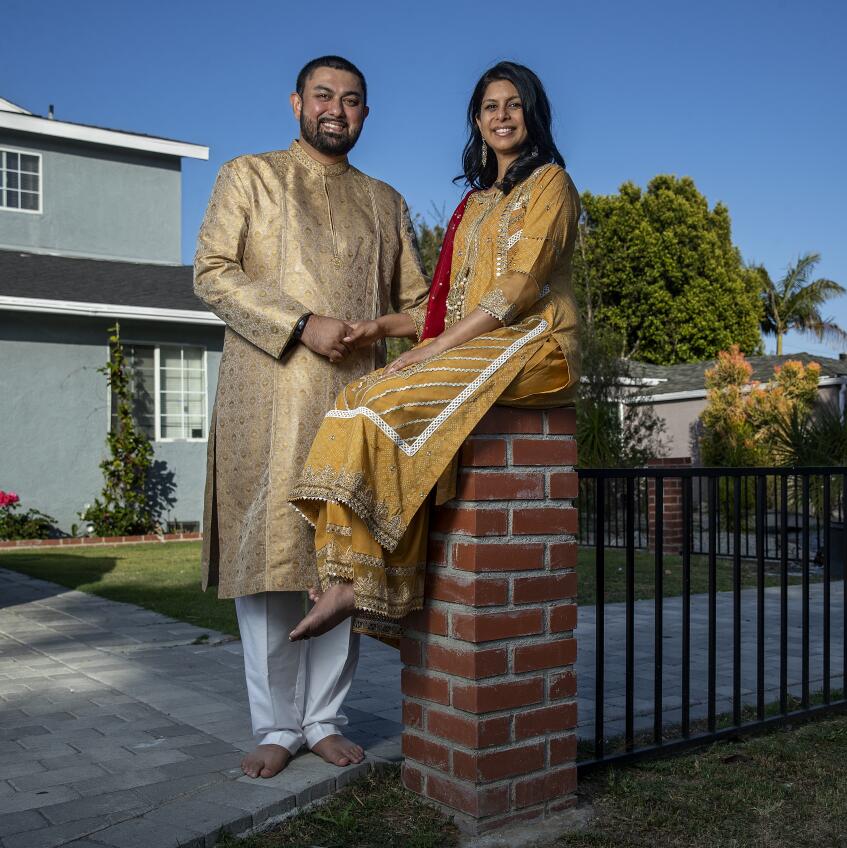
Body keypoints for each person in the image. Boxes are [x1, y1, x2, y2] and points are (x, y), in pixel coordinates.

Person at [288, 61, 579, 643]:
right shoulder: (471, 206)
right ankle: (353, 575)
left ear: (533, 114)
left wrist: (438, 349)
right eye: (491, 106)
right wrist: (375, 329)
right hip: (478, 340)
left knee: (391, 403)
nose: (502, 116)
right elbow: (443, 309)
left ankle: (364, 585)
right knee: (359, 397)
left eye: (514, 104)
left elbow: (520, 285)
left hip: (538, 342)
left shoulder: (550, 184)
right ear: (476, 118)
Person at [193, 55, 428, 779]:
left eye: (352, 99)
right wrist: (302, 322)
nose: (336, 108)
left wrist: (370, 328)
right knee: (270, 565)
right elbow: (211, 271)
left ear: (366, 113)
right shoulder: (248, 176)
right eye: (323, 95)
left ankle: (323, 719)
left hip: (355, 406)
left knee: (340, 560)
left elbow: (422, 309)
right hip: (264, 401)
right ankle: (275, 726)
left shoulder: (385, 202)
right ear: (296, 101)